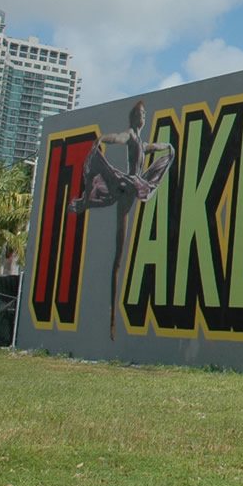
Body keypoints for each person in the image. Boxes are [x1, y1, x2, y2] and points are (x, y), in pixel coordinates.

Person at [68, 99, 174, 339]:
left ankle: (113, 319)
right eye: (141, 113)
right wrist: (102, 139)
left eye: (145, 113)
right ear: (134, 117)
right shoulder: (130, 135)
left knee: (119, 254)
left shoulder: (140, 141)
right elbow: (118, 138)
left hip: (135, 185)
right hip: (126, 187)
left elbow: (151, 147)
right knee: (118, 255)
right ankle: (112, 320)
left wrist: (167, 146)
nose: (144, 116)